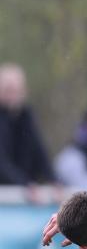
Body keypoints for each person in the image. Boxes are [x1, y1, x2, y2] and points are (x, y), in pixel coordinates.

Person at [0, 63, 56, 197]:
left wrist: (53, 180)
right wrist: (24, 183)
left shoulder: (26, 115)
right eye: (9, 90)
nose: (13, 95)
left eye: (16, 90)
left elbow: (38, 150)